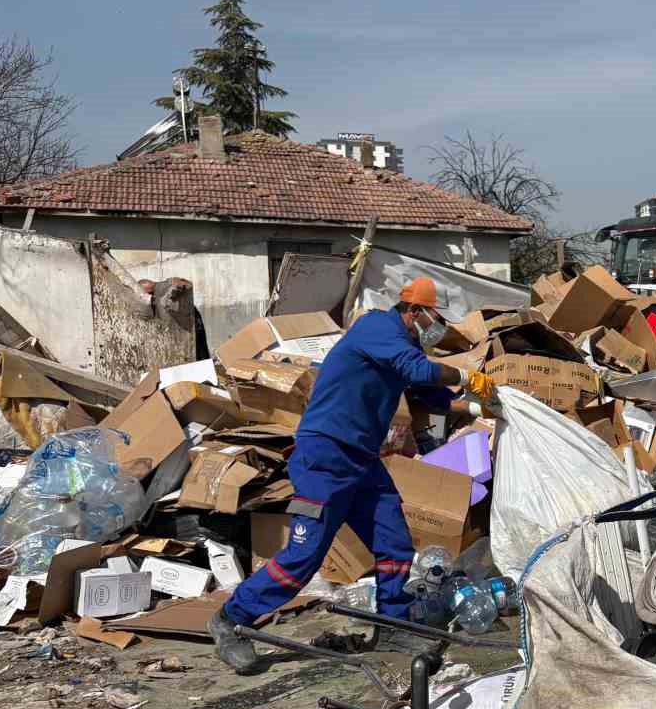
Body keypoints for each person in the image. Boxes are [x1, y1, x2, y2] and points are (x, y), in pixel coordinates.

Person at [207, 279, 496, 672]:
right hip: (324, 455)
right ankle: (231, 621)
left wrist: (487, 408)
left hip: (362, 460)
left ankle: (391, 623)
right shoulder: (377, 328)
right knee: (304, 556)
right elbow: (417, 369)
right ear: (414, 311)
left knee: (393, 541)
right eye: (436, 318)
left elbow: (434, 397)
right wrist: (465, 376)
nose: (439, 328)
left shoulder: (402, 348)